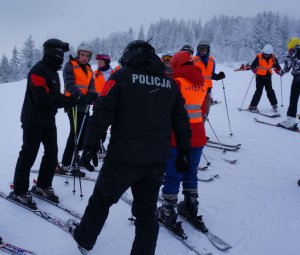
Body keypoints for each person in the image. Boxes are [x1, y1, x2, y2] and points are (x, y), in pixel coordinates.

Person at [66, 40, 191, 255]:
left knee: (101, 201)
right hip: (155, 160)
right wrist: (184, 151)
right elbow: (181, 119)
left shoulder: (121, 77)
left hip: (123, 157)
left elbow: (102, 113)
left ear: (128, 56)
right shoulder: (169, 83)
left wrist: (89, 146)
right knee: (146, 213)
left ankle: (84, 239)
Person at [10, 38, 77, 208]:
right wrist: (64, 101)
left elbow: (53, 96)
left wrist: (68, 99)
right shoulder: (38, 70)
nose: (62, 58)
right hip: (33, 119)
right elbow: (41, 97)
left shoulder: (52, 72)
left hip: (47, 119)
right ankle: (19, 191)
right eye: (61, 54)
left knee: (52, 152)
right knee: (28, 154)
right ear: (54, 53)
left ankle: (42, 185)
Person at [157, 51, 208, 233]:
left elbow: (164, 110)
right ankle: (190, 205)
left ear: (177, 64)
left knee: (172, 174)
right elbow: (202, 111)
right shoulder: (202, 84)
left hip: (176, 136)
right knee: (191, 171)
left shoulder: (175, 83)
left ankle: (168, 210)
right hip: (198, 135)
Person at [59, 43, 97, 175]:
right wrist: (81, 96)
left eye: (87, 55)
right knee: (75, 134)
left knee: (83, 133)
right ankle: (66, 163)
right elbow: (69, 84)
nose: (85, 57)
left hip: (84, 105)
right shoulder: (70, 65)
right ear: (78, 54)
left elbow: (91, 83)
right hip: (73, 103)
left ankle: (75, 159)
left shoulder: (88, 68)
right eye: (83, 54)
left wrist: (92, 94)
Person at [193, 40, 225, 117]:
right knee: (195, 112)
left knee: (205, 113)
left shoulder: (211, 60)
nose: (203, 51)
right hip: (196, 89)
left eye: (205, 49)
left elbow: (209, 74)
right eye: (201, 49)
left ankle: (202, 127)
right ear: (198, 50)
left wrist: (217, 76)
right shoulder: (193, 60)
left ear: (208, 50)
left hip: (208, 90)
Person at [248, 44, 282, 112]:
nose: (267, 55)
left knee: (270, 90)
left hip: (268, 76)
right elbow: (253, 66)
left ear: (271, 53)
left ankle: (274, 105)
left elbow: (277, 66)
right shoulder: (259, 57)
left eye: (268, 54)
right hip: (259, 76)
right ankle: (252, 106)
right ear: (263, 52)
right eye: (266, 54)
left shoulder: (273, 58)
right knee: (258, 91)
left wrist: (279, 71)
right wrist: (254, 69)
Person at [280, 37, 300, 129]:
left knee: (294, 99)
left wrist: (282, 72)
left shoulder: (293, 52)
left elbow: (287, 67)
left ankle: (290, 121)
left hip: (298, 78)